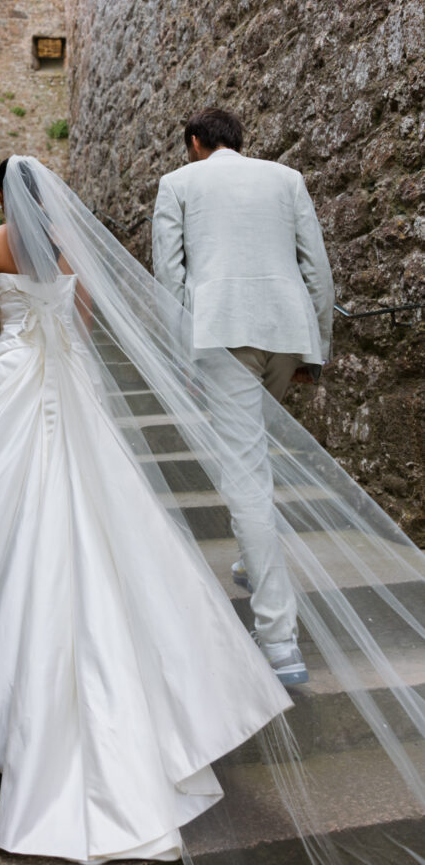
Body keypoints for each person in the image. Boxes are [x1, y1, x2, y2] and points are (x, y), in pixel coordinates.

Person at [0, 155, 293, 864]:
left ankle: (10, 600)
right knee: (99, 507)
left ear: (4, 194)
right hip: (66, 382)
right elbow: (86, 319)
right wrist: (58, 344)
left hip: (13, 380)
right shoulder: (65, 248)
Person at [152, 107, 335, 686]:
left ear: (196, 143)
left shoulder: (177, 184)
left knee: (245, 473)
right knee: (253, 461)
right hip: (286, 334)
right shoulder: (287, 179)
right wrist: (316, 354)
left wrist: (184, 354)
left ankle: (279, 639)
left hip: (221, 336)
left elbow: (170, 279)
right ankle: (252, 564)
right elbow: (318, 270)